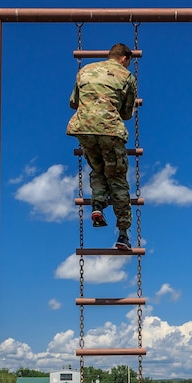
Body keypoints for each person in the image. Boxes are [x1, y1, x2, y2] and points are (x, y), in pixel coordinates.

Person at [66, 43, 139, 251]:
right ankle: (123, 234)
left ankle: (97, 205)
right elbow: (126, 113)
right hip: (110, 130)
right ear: (125, 59)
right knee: (117, 177)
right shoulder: (126, 77)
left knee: (98, 169)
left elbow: (73, 102)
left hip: (83, 128)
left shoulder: (85, 70)